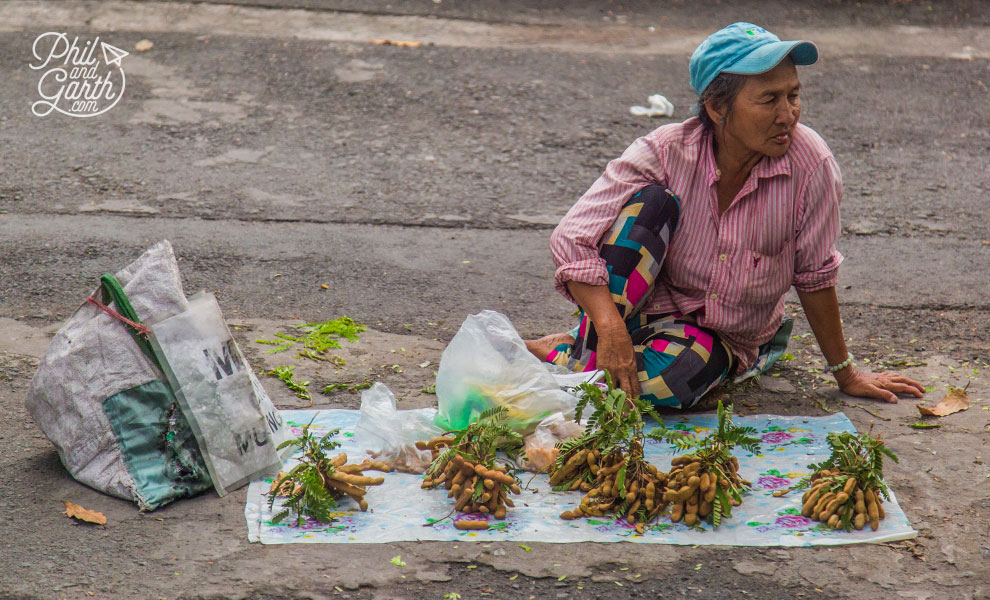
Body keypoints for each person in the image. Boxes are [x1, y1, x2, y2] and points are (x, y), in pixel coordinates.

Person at [526, 22, 924, 409]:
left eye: (794, 95)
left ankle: (574, 354)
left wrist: (846, 373)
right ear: (718, 108)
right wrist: (610, 325)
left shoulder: (811, 165)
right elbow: (571, 237)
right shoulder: (665, 151)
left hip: (714, 339)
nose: (788, 114)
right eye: (769, 100)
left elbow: (815, 275)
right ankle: (597, 344)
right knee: (653, 202)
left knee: (670, 382)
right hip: (630, 309)